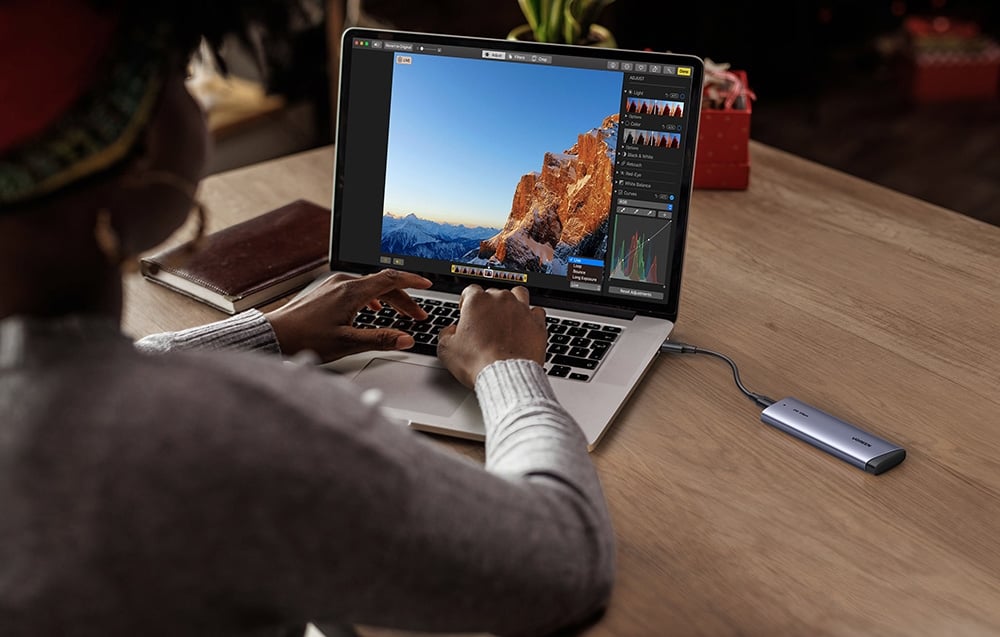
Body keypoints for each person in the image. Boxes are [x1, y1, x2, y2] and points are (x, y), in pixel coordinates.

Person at [0, 2, 615, 637]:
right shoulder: (230, 436)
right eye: (180, 79)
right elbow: (564, 560)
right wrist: (506, 365)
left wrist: (272, 330)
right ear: (135, 145)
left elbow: (98, 374)